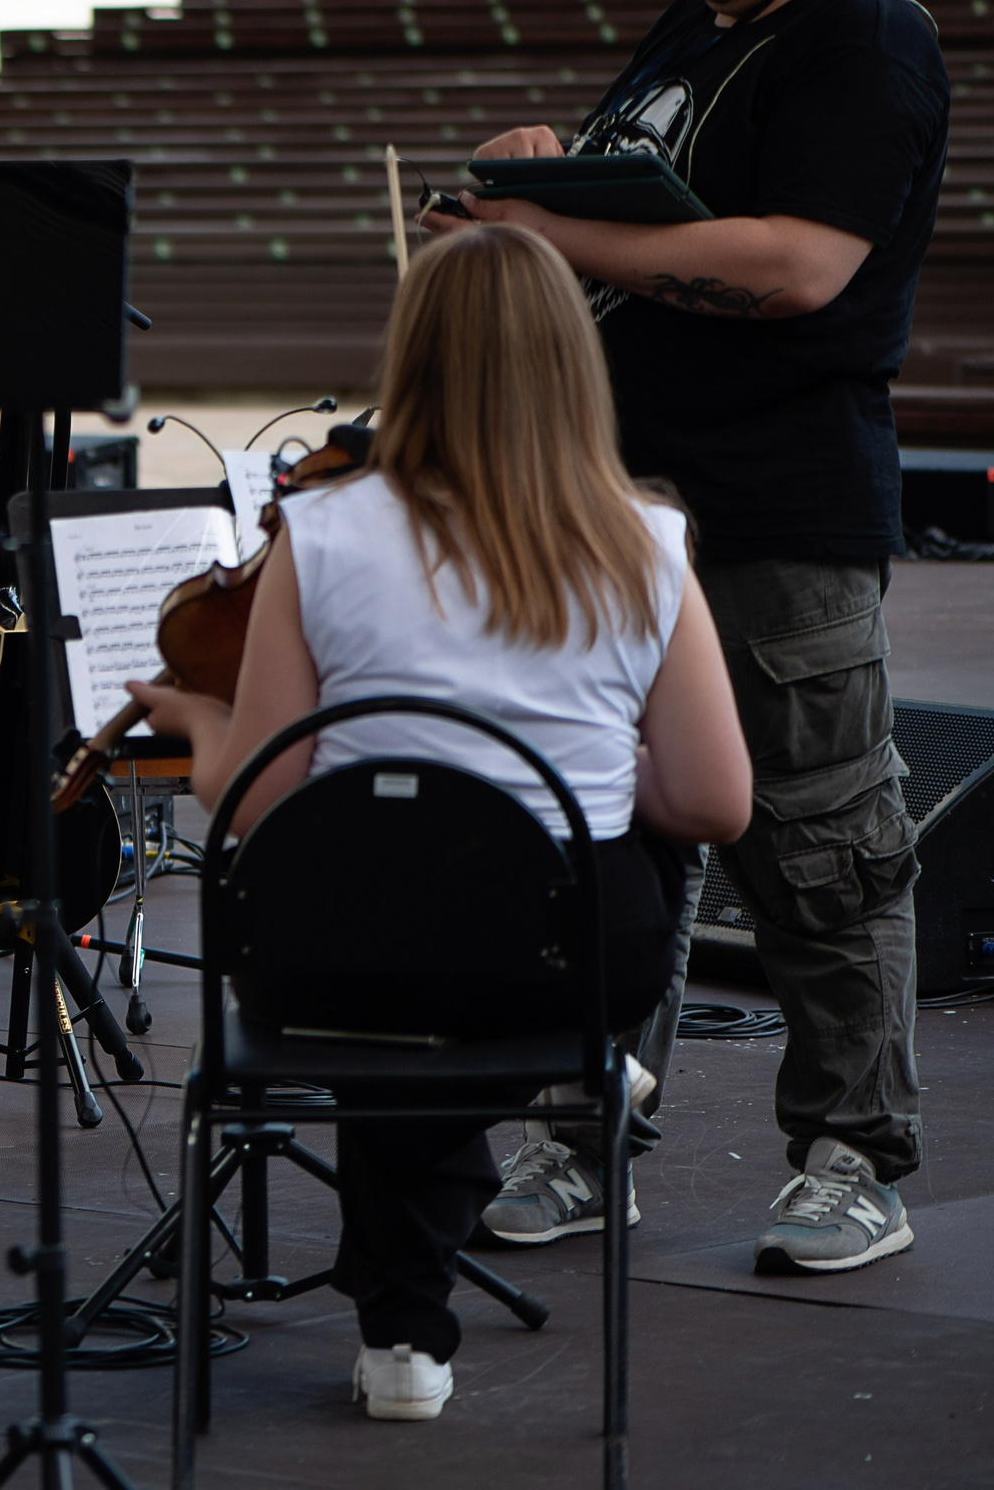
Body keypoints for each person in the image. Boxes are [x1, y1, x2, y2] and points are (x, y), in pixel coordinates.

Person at [425, 0, 942, 1275]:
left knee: (821, 836)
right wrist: (537, 163)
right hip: (614, 499)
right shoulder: (702, 27)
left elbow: (793, 268)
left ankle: (858, 1157)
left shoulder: (865, 39)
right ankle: (584, 1134)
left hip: (775, 505)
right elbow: (635, 203)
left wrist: (540, 225)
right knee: (600, 818)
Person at [131, 222, 752, 1421]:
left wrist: (201, 728)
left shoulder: (319, 534)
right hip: (567, 966)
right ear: (573, 367)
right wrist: (596, 759)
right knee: (542, 888)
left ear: (408, 359)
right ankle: (584, 1072)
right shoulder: (646, 541)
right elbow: (716, 803)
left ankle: (404, 1331)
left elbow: (265, 797)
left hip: (340, 968)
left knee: (390, 949)